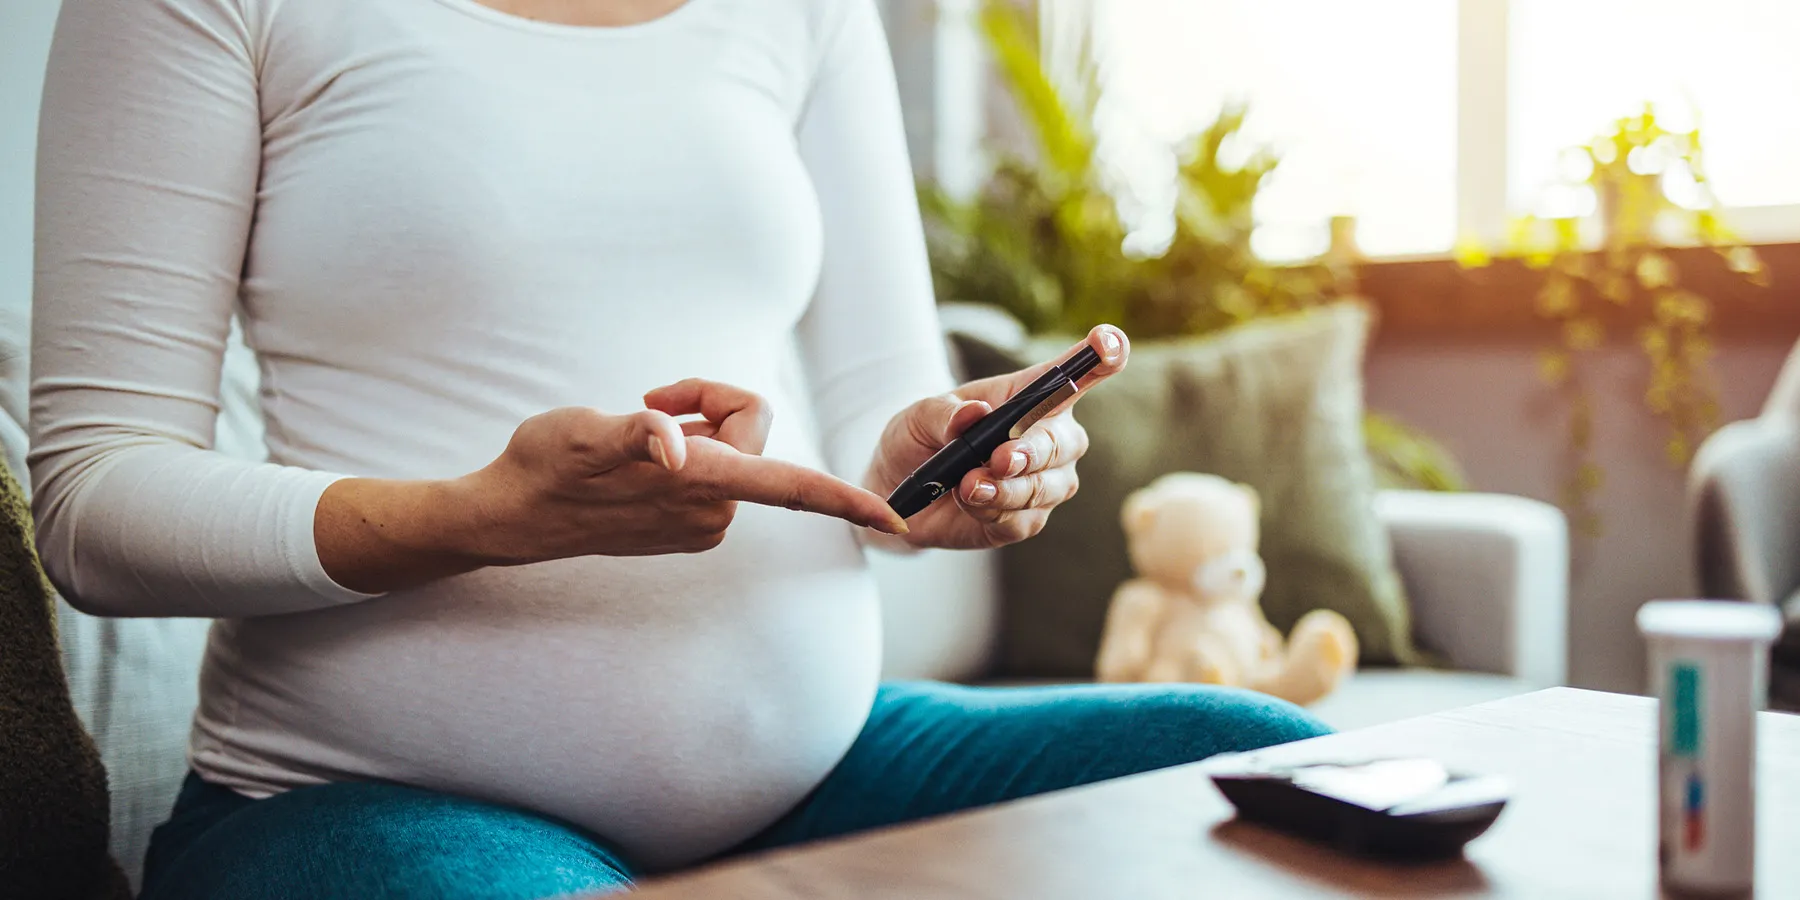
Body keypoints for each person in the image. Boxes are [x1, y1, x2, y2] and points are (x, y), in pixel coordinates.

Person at [28, 0, 1329, 896]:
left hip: (824, 774)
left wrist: (950, 465)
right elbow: (94, 504)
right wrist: (481, 514)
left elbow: (886, 398)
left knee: (1292, 783)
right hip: (358, 803)